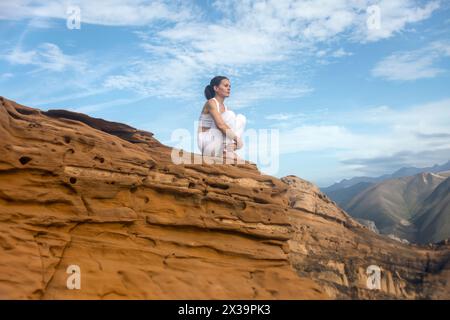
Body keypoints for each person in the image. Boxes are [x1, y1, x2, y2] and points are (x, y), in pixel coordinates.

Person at [197, 76, 246, 163]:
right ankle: (226, 152)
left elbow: (230, 128)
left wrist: (236, 144)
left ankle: (228, 149)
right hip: (207, 144)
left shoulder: (226, 108)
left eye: (229, 87)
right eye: (226, 86)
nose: (229, 88)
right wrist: (238, 140)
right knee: (230, 115)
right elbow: (220, 125)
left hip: (218, 144)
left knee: (241, 118)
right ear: (216, 88)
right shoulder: (211, 102)